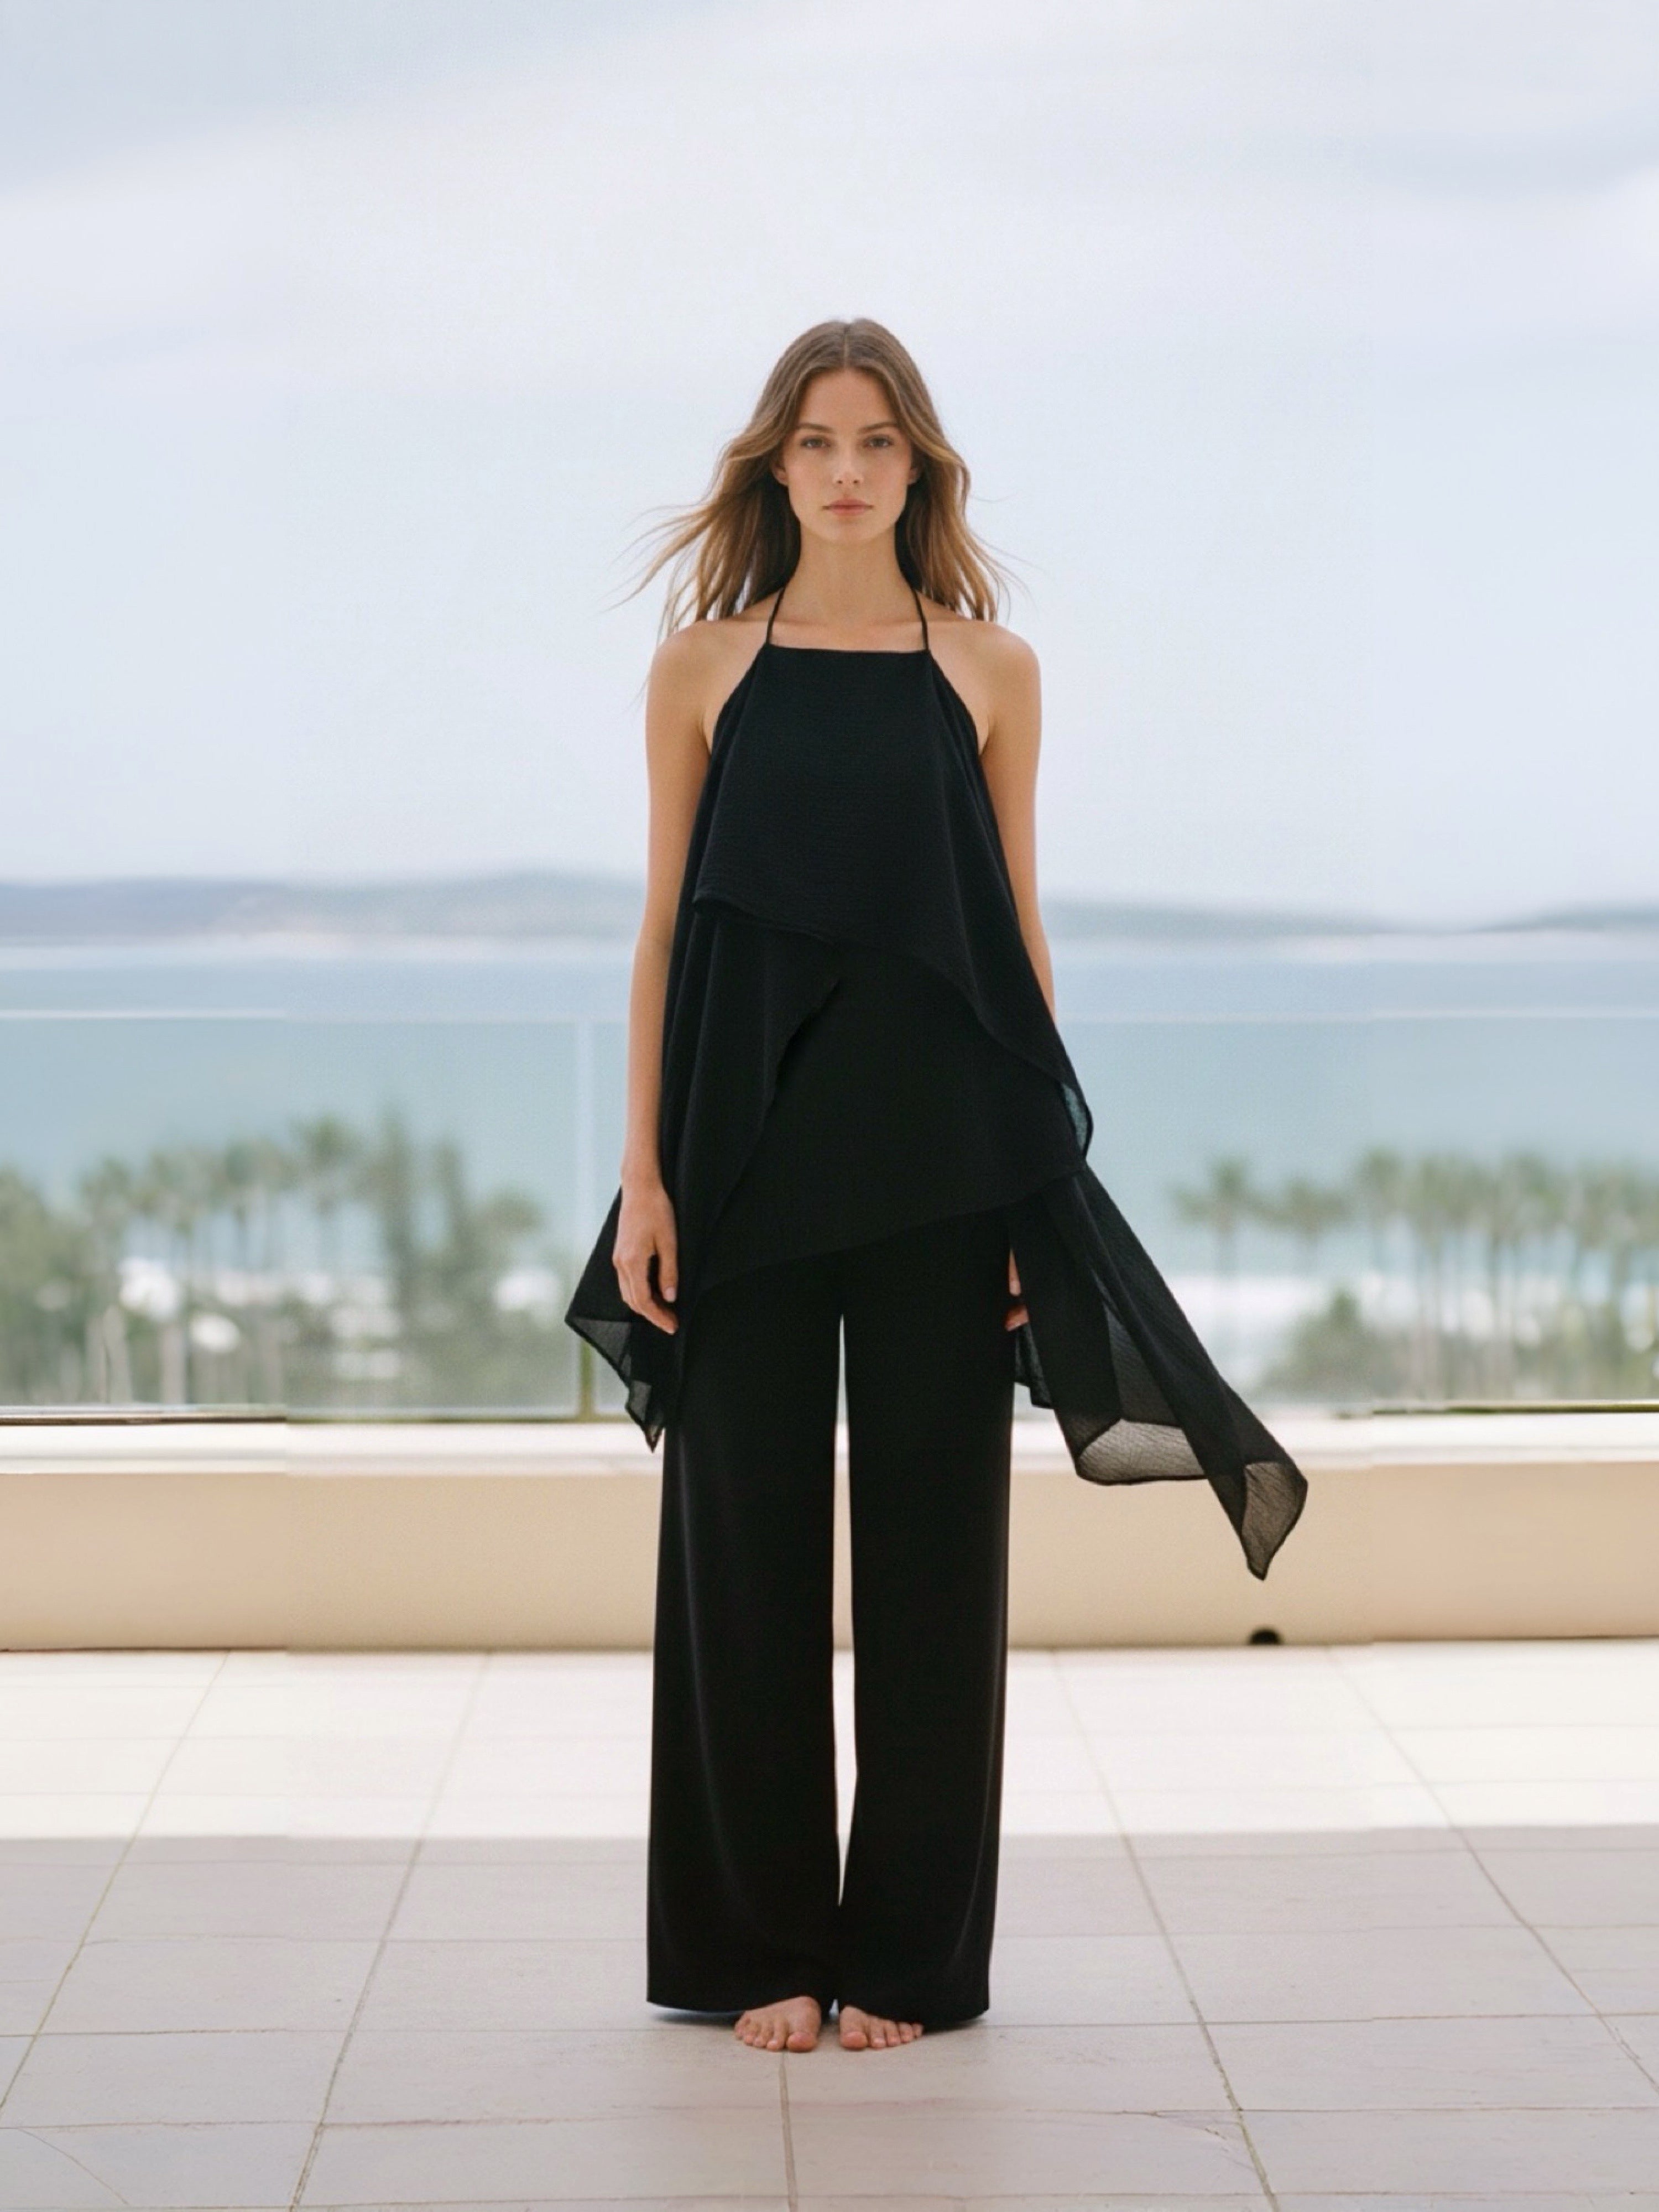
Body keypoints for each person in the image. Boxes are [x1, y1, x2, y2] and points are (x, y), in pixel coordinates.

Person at [565, 318, 1307, 2056]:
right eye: (814, 442)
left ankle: (904, 1951)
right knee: (740, 1555)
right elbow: (667, 932)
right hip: (740, 1166)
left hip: (941, 1165)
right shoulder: (699, 670)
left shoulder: (991, 669)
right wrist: (645, 1176)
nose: (842, 471)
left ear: (920, 469)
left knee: (932, 1556)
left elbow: (1015, 935)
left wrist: (1037, 1189)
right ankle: (756, 1940)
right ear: (775, 465)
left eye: (875, 443)